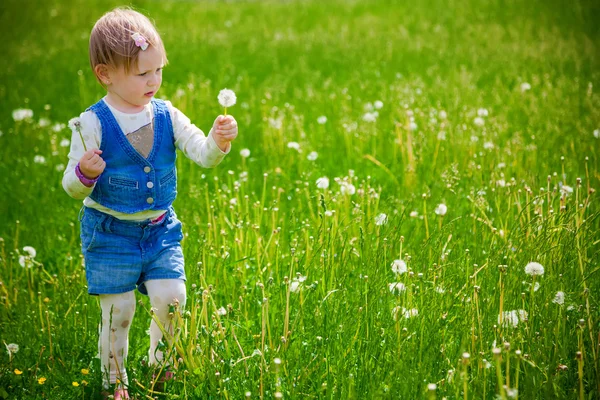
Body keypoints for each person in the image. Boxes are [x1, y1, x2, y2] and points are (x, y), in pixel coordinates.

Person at [62, 7, 238, 399]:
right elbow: (72, 187)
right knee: (118, 312)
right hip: (110, 233)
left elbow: (203, 154)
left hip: (159, 228)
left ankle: (162, 365)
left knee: (172, 298)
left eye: (159, 70)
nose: (154, 80)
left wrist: (218, 140)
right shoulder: (91, 124)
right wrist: (85, 173)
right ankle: (114, 380)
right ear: (105, 74)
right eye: (143, 73)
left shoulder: (167, 114)